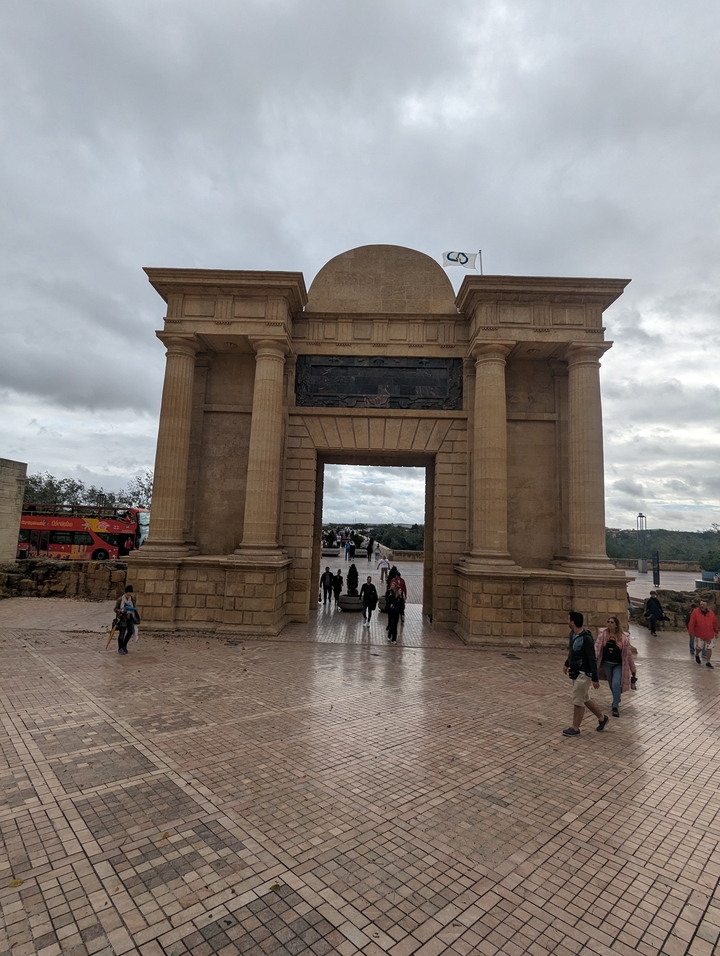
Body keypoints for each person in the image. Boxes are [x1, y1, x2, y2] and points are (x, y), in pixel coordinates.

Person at [562, 611, 609, 737]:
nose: (567, 621)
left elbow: (592, 658)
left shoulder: (586, 638)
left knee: (578, 701)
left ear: (573, 622)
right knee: (585, 698)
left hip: (584, 673)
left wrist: (595, 678)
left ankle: (575, 728)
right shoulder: (572, 635)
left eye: (568, 619)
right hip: (576, 672)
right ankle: (602, 718)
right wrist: (567, 663)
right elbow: (572, 652)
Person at [595, 616, 637, 717]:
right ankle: (616, 697)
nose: (609, 624)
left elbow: (628, 654)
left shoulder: (623, 637)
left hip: (618, 665)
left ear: (616, 624)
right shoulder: (603, 635)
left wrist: (633, 669)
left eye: (612, 622)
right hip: (606, 664)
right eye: (608, 621)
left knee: (616, 684)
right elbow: (596, 649)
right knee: (611, 684)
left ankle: (615, 705)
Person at [688, 600, 719, 669]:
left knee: (709, 648)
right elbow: (692, 623)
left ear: (706, 606)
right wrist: (691, 632)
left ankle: (708, 662)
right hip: (700, 634)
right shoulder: (695, 612)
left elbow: (714, 623)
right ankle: (697, 654)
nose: (702, 606)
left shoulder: (711, 614)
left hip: (709, 634)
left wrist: (716, 631)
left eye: (704, 605)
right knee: (699, 647)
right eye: (701, 604)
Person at [116, 584, 139, 655]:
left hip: (130, 617)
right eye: (128, 594)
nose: (129, 595)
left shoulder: (132, 599)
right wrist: (121, 611)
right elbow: (115, 609)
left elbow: (134, 607)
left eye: (130, 593)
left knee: (131, 631)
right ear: (125, 593)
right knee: (122, 634)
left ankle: (124, 645)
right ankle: (120, 648)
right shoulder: (120, 600)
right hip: (123, 618)